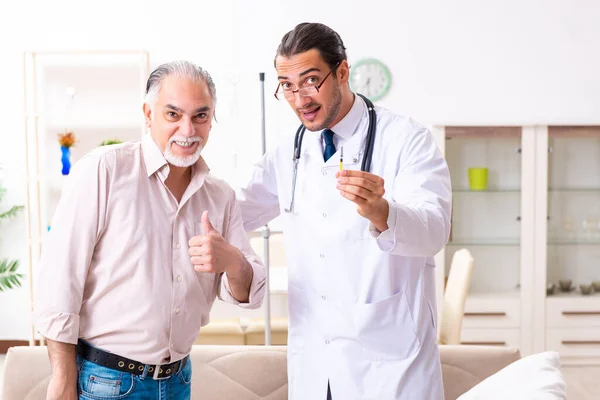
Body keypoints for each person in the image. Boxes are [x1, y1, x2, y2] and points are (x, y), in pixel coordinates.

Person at [236, 23, 451, 399]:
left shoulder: (405, 139)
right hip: (316, 362)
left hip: (388, 363)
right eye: (287, 85)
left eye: (311, 80)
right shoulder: (289, 149)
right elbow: (236, 211)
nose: (300, 97)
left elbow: (434, 230)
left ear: (342, 72)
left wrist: (384, 213)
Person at [34, 60, 266, 400]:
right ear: (148, 114)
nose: (188, 130)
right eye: (173, 114)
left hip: (179, 381)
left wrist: (232, 260)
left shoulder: (220, 196)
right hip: (106, 382)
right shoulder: (104, 171)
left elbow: (250, 294)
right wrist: (62, 379)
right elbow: (59, 280)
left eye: (200, 116)